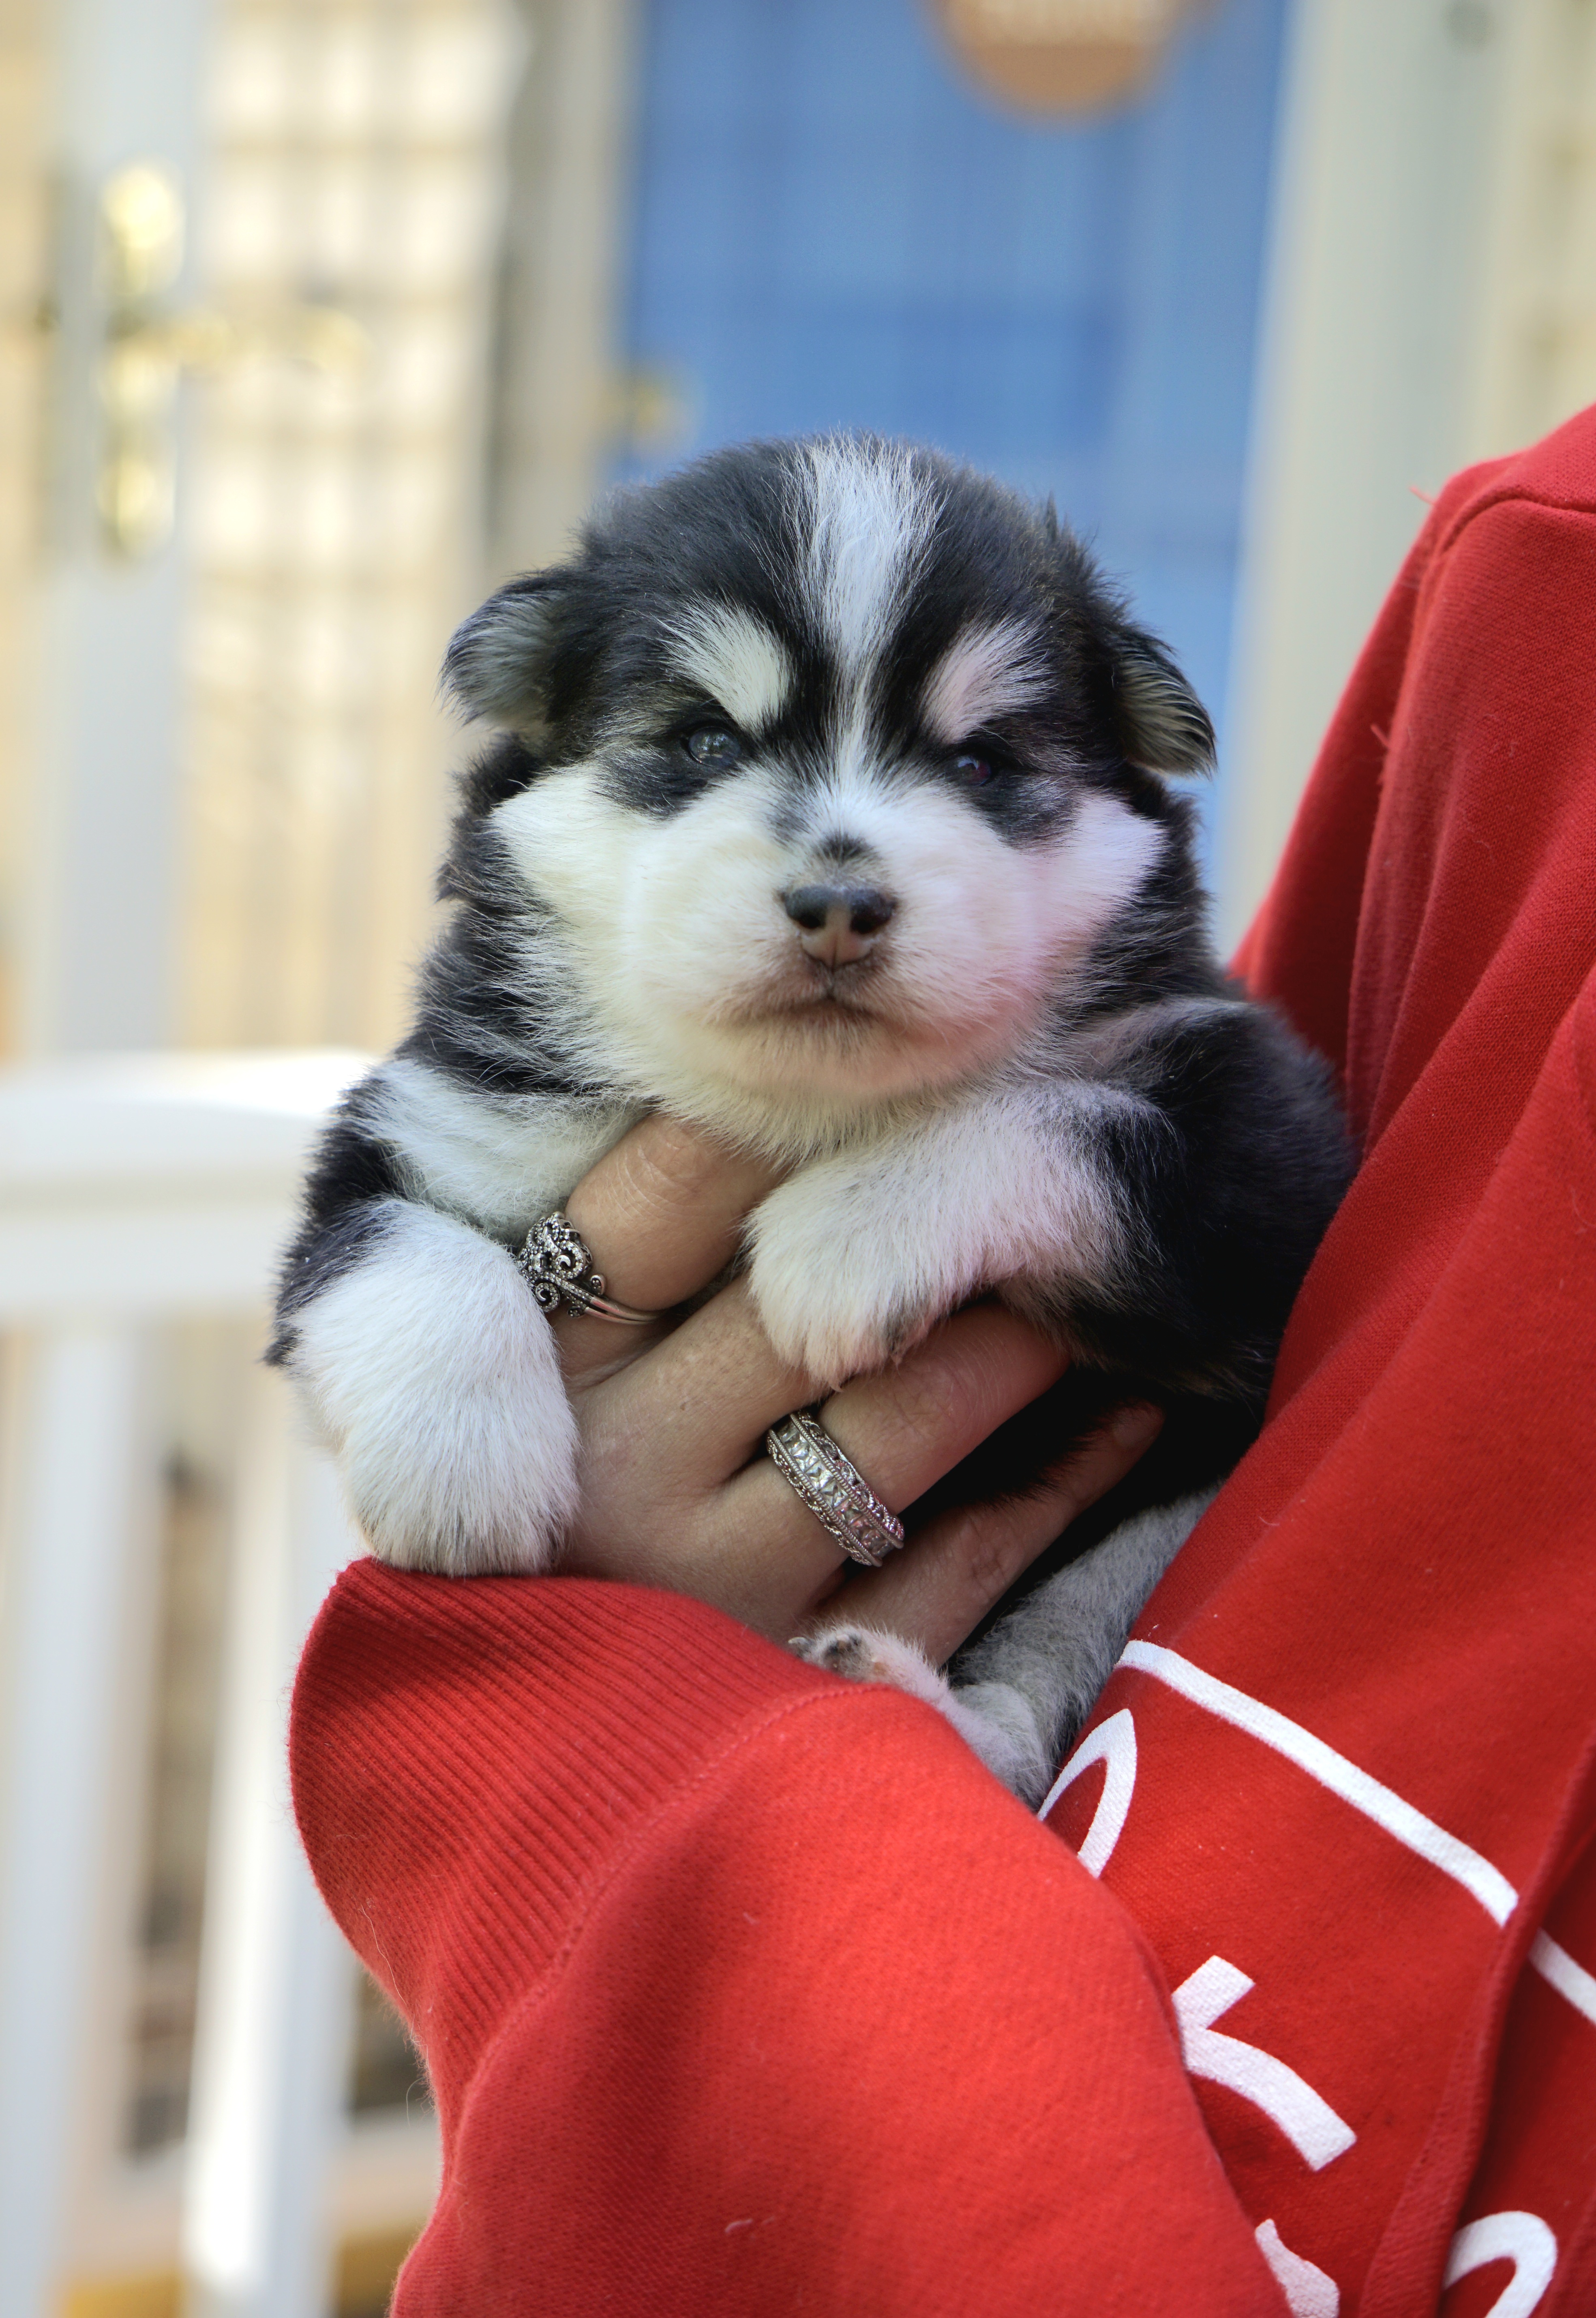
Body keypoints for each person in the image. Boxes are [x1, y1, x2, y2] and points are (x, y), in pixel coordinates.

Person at [290, 408, 1596, 2315]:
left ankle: (988, 1724)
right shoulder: (1532, 576)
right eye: (705, 743)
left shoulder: (1136, 1057)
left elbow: (1268, 1223)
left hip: (1057, 1800)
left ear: (1128, 806)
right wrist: (467, 1336)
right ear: (532, 759)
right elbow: (381, 1218)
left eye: (988, 762)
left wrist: (1005, 1171)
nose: (844, 874)